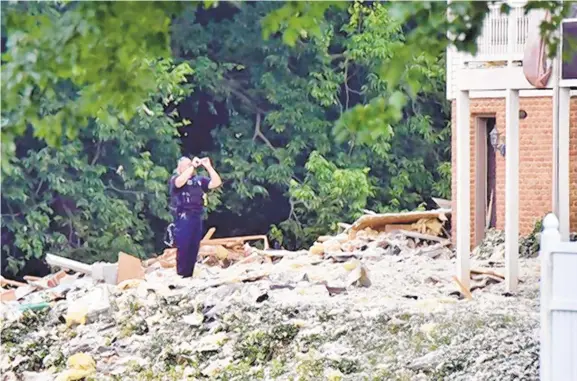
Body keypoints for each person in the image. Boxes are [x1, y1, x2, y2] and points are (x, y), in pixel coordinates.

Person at [169, 156, 222, 277]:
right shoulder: (176, 179)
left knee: (194, 246)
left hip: (197, 216)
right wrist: (192, 165)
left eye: (190, 165)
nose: (190, 167)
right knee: (184, 246)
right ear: (180, 168)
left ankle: (189, 274)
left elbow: (216, 182)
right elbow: (179, 182)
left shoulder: (199, 180)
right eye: (186, 166)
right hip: (184, 217)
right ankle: (181, 274)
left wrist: (208, 166)